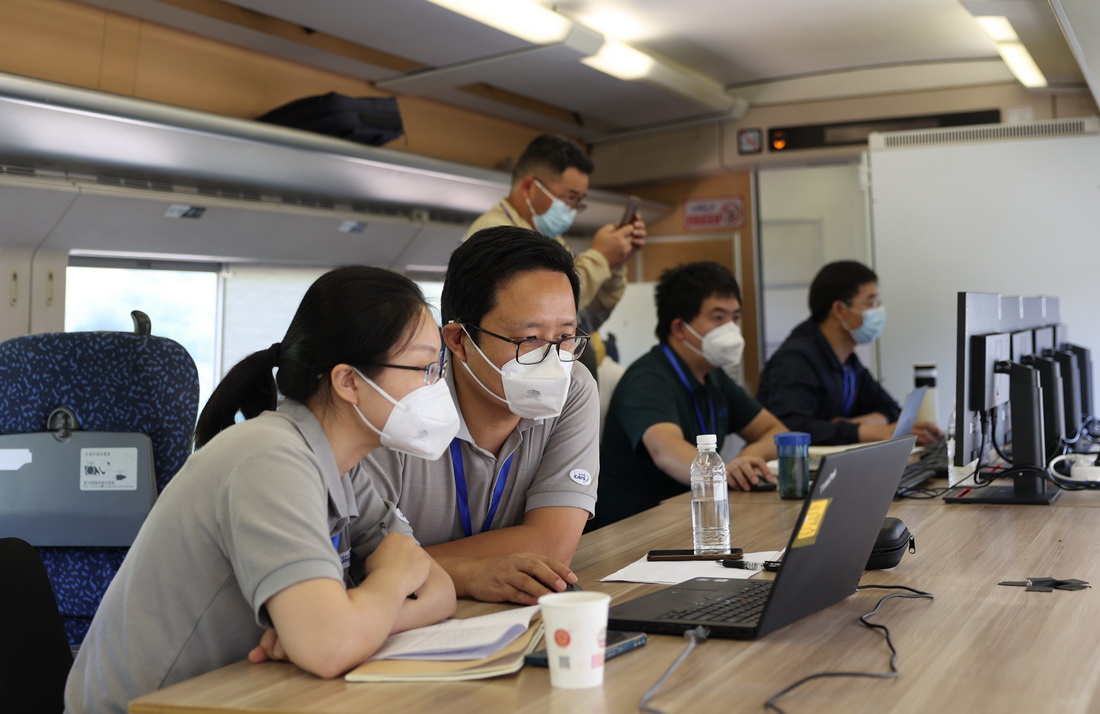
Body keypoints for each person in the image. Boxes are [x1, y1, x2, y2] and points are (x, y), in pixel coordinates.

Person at [65, 267, 458, 713]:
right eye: (424, 368)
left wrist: (353, 623)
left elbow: (439, 591)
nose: (437, 386)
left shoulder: (341, 465)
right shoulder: (270, 458)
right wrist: (388, 583)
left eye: (437, 368)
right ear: (348, 381)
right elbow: (331, 645)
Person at [364, 226, 598, 606]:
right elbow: (359, 566)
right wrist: (466, 574)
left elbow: (551, 547)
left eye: (565, 338)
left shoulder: (574, 388)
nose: (554, 361)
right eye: (530, 340)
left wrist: (408, 565)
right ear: (458, 340)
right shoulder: (399, 403)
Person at [595, 261, 786, 528]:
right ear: (679, 329)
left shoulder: (713, 375)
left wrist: (745, 460)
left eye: (735, 318)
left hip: (694, 516)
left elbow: (777, 432)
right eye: (718, 318)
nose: (731, 329)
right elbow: (665, 449)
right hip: (637, 527)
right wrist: (723, 473)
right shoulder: (648, 378)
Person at [466, 134, 646, 332]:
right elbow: (540, 306)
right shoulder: (493, 234)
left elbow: (586, 315)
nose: (572, 209)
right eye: (569, 198)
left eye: (578, 202)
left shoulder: (549, 238)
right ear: (530, 188)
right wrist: (600, 257)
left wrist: (615, 262)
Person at [756, 260, 941, 446]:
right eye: (872, 302)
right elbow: (791, 429)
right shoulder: (795, 359)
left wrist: (852, 425)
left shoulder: (848, 360)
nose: (878, 311)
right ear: (839, 310)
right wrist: (872, 432)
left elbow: (890, 409)